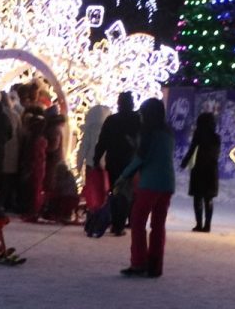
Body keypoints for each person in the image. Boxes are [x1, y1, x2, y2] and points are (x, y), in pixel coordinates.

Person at [117, 97, 176, 278]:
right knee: (158, 225)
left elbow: (141, 158)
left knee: (138, 221)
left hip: (150, 183)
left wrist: (123, 176)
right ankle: (155, 266)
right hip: (167, 183)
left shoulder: (148, 132)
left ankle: (138, 262)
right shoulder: (168, 133)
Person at [93, 92, 140, 237]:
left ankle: (115, 221)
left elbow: (102, 142)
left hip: (113, 160)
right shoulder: (137, 120)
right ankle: (120, 223)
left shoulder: (111, 120)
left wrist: (97, 159)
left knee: (114, 191)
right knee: (126, 194)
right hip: (129, 161)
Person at [182, 110, 220, 233]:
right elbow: (215, 154)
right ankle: (207, 225)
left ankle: (199, 224)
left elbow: (192, 150)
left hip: (198, 169)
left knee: (197, 197)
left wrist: (185, 162)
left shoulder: (197, 136)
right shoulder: (216, 137)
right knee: (208, 198)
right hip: (211, 170)